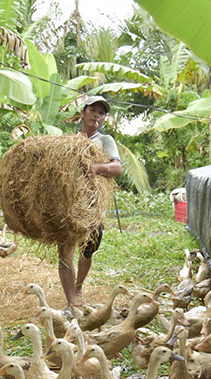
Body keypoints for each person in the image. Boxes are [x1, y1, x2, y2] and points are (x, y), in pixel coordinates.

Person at [58, 95, 123, 312]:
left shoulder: (105, 141)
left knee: (87, 252)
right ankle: (71, 302)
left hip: (92, 207)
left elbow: (117, 168)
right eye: (93, 110)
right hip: (67, 205)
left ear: (104, 119)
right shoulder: (68, 141)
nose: (97, 115)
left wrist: (97, 168)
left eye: (101, 113)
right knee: (65, 252)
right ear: (83, 113)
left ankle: (78, 287)